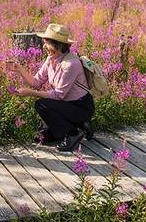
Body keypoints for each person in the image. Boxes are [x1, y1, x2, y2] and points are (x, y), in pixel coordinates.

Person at [7, 23, 94, 152]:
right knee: (41, 137)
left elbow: (58, 95)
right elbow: (36, 82)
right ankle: (80, 125)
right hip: (66, 105)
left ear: (56, 44)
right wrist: (19, 69)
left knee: (41, 104)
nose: (44, 46)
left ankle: (73, 134)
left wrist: (30, 92)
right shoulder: (51, 58)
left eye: (46, 43)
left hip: (81, 107)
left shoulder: (71, 64)